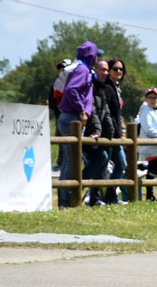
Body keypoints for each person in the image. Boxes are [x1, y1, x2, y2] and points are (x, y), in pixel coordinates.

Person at [57, 41, 101, 208]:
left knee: (70, 161)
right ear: (91, 55)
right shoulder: (82, 69)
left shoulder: (80, 68)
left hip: (68, 117)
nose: (98, 58)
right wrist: (82, 109)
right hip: (72, 118)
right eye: (97, 55)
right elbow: (71, 90)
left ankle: (65, 200)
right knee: (72, 161)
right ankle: (67, 201)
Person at [81, 59, 113, 207]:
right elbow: (91, 110)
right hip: (86, 133)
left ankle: (93, 197)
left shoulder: (102, 88)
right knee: (102, 157)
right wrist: (97, 131)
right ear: (95, 70)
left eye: (107, 70)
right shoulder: (91, 86)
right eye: (102, 69)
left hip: (98, 134)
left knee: (103, 160)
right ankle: (79, 182)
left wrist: (111, 132)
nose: (105, 73)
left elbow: (105, 112)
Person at [103, 57, 127, 204]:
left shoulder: (115, 87)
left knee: (121, 164)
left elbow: (117, 113)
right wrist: (114, 131)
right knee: (104, 165)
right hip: (109, 134)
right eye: (115, 69)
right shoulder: (107, 87)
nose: (119, 71)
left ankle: (111, 196)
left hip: (116, 134)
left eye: (121, 69)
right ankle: (94, 196)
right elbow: (107, 113)